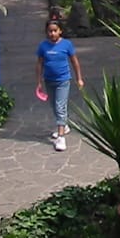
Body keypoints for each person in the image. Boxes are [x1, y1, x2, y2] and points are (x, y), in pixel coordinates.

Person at [36, 20, 84, 150]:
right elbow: (39, 64)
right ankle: (64, 126)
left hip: (63, 81)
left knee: (60, 106)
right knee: (54, 106)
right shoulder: (43, 46)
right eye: (50, 31)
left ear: (60, 31)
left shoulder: (66, 45)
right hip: (49, 81)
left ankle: (61, 138)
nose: (52, 33)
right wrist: (39, 81)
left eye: (55, 31)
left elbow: (75, 62)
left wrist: (79, 78)